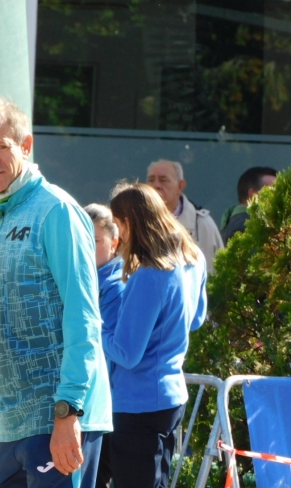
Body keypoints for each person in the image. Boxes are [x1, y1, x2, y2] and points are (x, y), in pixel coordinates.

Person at [0, 97, 112, 488]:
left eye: (1, 147)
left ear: (26, 146)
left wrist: (67, 414)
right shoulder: (5, 216)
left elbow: (83, 315)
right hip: (15, 424)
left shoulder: (56, 210)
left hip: (60, 420)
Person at [103, 183, 206, 488]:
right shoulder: (193, 258)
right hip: (171, 397)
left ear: (130, 222)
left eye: (118, 225)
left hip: (138, 404)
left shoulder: (150, 274)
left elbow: (126, 353)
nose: (118, 235)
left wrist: (95, 325)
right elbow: (197, 319)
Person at [83, 204, 124, 488]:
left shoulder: (118, 285)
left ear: (114, 242)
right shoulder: (80, 279)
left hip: (107, 406)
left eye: (95, 240)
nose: (87, 247)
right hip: (86, 405)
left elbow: (108, 347)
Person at [147, 159, 223, 273]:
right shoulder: (136, 222)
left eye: (163, 180)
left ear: (180, 186)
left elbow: (216, 273)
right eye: (151, 180)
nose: (156, 185)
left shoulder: (201, 224)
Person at [220, 167, 277, 244]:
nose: (279, 197)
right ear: (254, 195)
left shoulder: (235, 221)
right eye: (273, 192)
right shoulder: (245, 228)